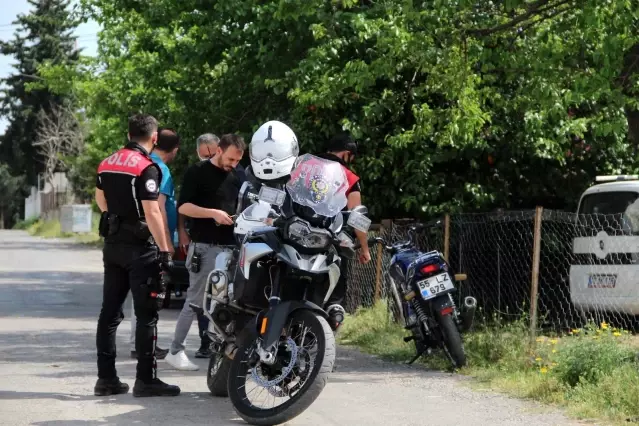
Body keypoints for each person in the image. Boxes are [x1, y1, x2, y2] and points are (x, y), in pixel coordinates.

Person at [94, 113, 180, 397]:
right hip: (141, 249)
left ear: (128, 132)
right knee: (146, 315)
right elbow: (153, 211)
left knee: (109, 313)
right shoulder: (147, 167)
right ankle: (146, 380)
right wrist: (166, 250)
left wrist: (112, 216)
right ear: (154, 138)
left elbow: (100, 197)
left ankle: (106, 379)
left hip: (113, 245)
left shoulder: (107, 162)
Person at [165, 134, 246, 371]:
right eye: (231, 158)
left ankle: (224, 353)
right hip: (205, 247)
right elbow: (184, 206)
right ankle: (175, 350)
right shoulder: (197, 172)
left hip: (232, 248)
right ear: (218, 150)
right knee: (195, 301)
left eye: (238, 160)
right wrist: (212, 213)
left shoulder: (238, 176)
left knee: (229, 303)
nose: (234, 164)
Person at [128, 127, 180, 360]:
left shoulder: (141, 160)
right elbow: (158, 207)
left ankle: (138, 342)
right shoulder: (162, 169)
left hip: (133, 234)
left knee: (140, 292)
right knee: (152, 292)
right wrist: (166, 244)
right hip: (153, 238)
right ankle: (145, 345)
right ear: (175, 150)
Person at [316, 131, 371, 328]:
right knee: (336, 288)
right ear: (347, 154)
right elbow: (357, 217)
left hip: (301, 234)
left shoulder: (307, 169)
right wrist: (364, 248)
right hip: (333, 241)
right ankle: (333, 311)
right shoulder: (349, 177)